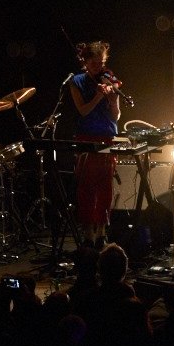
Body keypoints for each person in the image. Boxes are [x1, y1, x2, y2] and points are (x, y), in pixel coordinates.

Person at [68, 41, 121, 248]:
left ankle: (101, 231)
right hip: (86, 138)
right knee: (86, 187)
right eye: (94, 64)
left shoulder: (109, 78)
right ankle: (88, 232)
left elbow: (115, 116)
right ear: (85, 62)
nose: (98, 68)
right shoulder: (77, 82)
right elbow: (83, 110)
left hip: (106, 137)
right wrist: (99, 96)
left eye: (101, 63)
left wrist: (113, 100)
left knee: (105, 186)